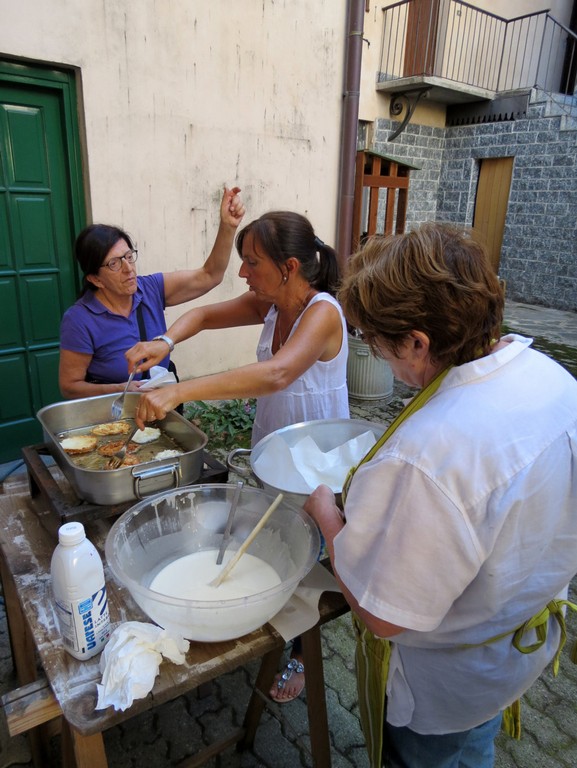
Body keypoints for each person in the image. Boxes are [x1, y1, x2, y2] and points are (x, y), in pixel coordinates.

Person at [304, 222, 577, 768]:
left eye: (376, 341)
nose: (376, 353)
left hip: (445, 684)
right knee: (473, 749)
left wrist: (326, 515)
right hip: (510, 650)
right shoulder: (552, 377)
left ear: (417, 342)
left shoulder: (426, 456)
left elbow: (384, 616)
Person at [125, 210, 350, 701]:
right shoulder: (271, 303)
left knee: (307, 559)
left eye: (252, 262)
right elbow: (205, 316)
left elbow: (277, 374)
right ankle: (260, 619)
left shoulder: (322, 312)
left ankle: (301, 654)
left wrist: (179, 390)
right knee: (276, 543)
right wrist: (164, 341)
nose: (243, 272)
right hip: (274, 452)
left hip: (314, 465)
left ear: (289, 268)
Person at [58, 186, 245, 400]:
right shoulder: (79, 320)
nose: (128, 269)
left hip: (162, 405)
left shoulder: (149, 289)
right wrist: (119, 389)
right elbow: (70, 387)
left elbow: (210, 275)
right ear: (95, 279)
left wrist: (228, 227)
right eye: (114, 264)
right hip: (116, 413)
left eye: (129, 257)